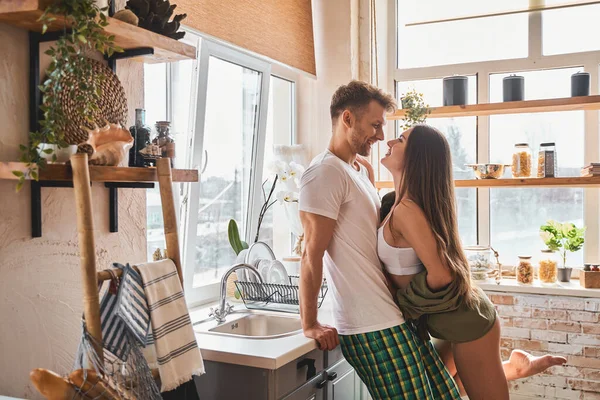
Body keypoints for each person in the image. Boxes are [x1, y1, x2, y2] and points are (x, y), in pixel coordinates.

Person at [298, 80, 564, 399]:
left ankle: (506, 370)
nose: (382, 135)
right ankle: (508, 370)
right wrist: (310, 322)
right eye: (376, 124)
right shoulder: (324, 172)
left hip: (393, 318)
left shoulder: (359, 170)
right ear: (347, 119)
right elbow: (311, 253)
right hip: (371, 323)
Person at [377, 124, 565, 399]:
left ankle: (511, 369)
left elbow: (442, 275)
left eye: (401, 139)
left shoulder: (406, 211)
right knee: (442, 389)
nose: (390, 140)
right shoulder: (394, 203)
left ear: (417, 157)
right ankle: (513, 368)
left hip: (470, 325)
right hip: (451, 321)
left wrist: (402, 304)